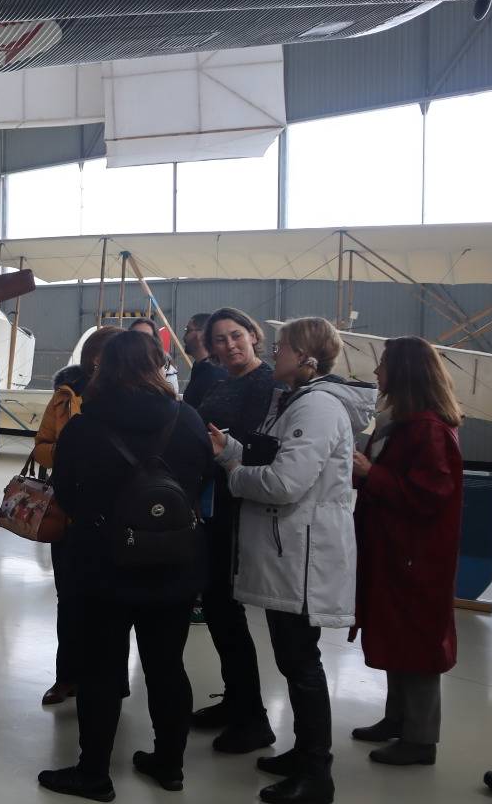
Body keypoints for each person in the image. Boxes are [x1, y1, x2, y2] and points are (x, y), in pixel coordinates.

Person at [37, 331, 211, 800]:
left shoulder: (84, 426)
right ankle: (169, 766)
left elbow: (68, 494)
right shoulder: (188, 419)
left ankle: (94, 772)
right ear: (158, 365)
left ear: (102, 369)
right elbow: (201, 480)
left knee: (101, 671)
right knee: (167, 667)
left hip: (103, 565)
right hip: (173, 564)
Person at [211, 317, 376, 804]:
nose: (274, 352)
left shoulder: (320, 407)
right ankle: (304, 751)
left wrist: (234, 473)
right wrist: (230, 449)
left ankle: (316, 773)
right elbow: (274, 455)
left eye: (281, 347)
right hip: (289, 551)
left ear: (306, 358)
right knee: (291, 657)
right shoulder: (295, 402)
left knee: (302, 663)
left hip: (303, 554)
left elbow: (285, 483)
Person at [349, 337, 463, 767]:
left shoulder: (429, 429)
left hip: (416, 556)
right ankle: (396, 717)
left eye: (383, 365)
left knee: (417, 640)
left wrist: (370, 473)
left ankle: (420, 739)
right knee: (397, 631)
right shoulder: (400, 422)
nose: (376, 373)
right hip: (394, 550)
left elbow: (430, 494)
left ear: (405, 372)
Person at [191, 308, 281, 755]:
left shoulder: (266, 383)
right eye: (220, 340)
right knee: (220, 611)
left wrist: (216, 441)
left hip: (241, 506)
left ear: (253, 334)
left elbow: (255, 443)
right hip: (214, 505)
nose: (229, 345)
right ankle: (237, 701)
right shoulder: (223, 381)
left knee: (228, 610)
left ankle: (254, 718)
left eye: (236, 336)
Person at [31, 325, 121, 706]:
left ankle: (112, 678)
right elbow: (41, 447)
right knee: (68, 599)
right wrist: (69, 452)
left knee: (113, 604)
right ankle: (66, 676)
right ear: (97, 359)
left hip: (114, 515)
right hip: (67, 513)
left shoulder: (129, 400)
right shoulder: (63, 398)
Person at [182, 312, 228, 408]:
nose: (184, 337)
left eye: (188, 330)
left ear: (202, 335)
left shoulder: (215, 375)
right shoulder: (200, 368)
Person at [129, 317, 180, 397]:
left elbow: (170, 401)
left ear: (155, 341)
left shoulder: (166, 369)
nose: (140, 340)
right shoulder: (121, 365)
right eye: (135, 336)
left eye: (146, 337)